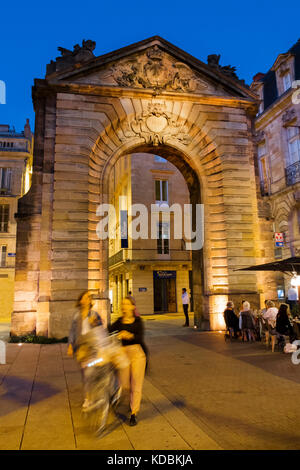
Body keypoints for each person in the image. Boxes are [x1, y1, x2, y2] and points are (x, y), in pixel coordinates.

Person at [109, 296, 147, 427]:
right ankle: (123, 398)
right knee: (124, 385)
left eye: (126, 304)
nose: (124, 306)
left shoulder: (138, 321)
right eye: (122, 304)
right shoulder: (118, 322)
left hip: (137, 354)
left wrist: (129, 335)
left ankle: (134, 413)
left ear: (132, 307)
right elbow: (108, 332)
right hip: (123, 355)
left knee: (136, 384)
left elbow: (140, 337)